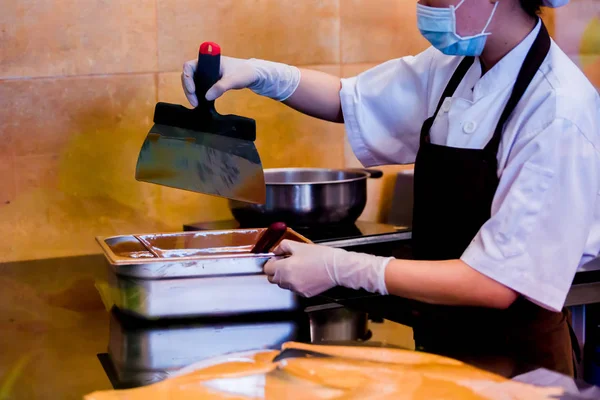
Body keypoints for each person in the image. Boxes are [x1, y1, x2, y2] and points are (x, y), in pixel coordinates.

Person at [181, 0, 600, 377]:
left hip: (517, 365)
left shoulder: (558, 110)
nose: (422, 6)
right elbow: (351, 100)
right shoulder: (455, 67)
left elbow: (497, 282)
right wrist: (262, 74)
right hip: (442, 346)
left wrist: (342, 268)